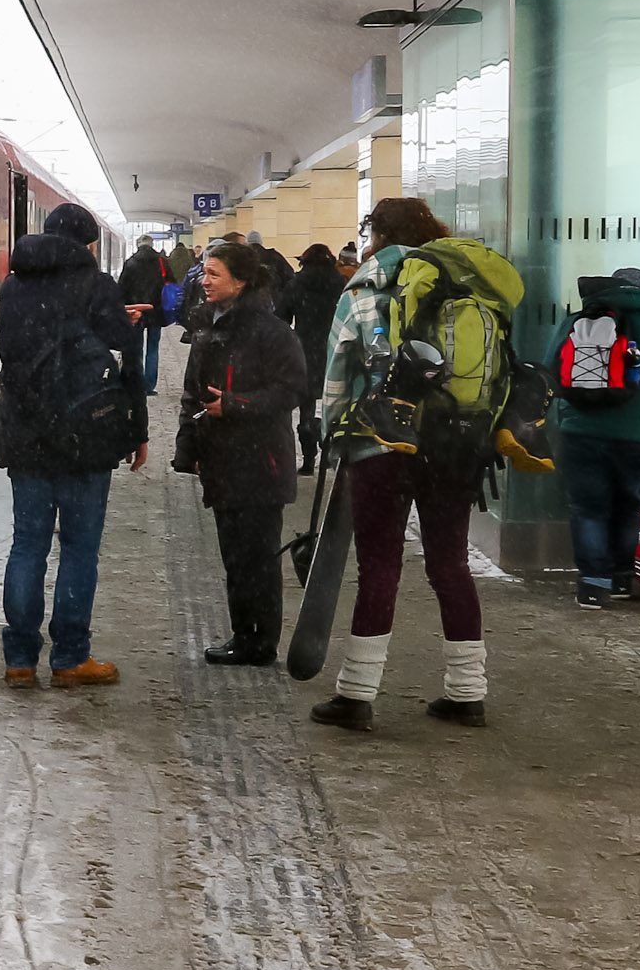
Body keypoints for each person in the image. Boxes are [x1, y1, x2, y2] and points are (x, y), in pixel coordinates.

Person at [309, 195, 520, 731]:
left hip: (383, 441)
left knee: (380, 566)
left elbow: (339, 368)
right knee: (449, 563)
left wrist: (331, 429)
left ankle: (356, 695)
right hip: (455, 441)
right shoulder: (468, 283)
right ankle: (468, 692)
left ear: (376, 233)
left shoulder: (366, 287)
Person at [0, 202, 149, 689]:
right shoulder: (96, 286)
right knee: (79, 549)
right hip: (85, 436)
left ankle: (20, 659)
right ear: (88, 244)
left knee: (27, 546)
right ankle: (69, 658)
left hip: (26, 436)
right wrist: (137, 432)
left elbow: (16, 350)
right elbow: (125, 362)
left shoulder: (13, 287)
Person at [174, 243, 312, 663]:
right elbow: (190, 394)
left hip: (260, 462)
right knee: (235, 557)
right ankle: (243, 634)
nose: (204, 281)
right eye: (204, 273)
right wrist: (187, 447)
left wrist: (235, 405)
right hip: (222, 459)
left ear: (242, 281)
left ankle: (261, 642)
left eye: (214, 274)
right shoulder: (207, 327)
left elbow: (291, 390)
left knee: (259, 558)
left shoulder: (271, 333)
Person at [551, 265, 640, 607]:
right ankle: (620, 579)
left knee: (588, 506)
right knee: (627, 503)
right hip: (638, 433)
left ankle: (592, 585)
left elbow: (551, 368)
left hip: (581, 427)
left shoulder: (577, 321)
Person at [284, 242, 347, 464]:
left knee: (307, 404)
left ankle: (309, 458)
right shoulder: (341, 283)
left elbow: (282, 317)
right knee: (337, 401)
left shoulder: (296, 283)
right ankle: (331, 449)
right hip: (336, 347)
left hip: (305, 349)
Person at [115, 236, 169, 389]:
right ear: (152, 245)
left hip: (136, 310)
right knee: (153, 348)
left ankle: (137, 382)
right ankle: (150, 385)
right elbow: (171, 281)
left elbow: (121, 288)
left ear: (139, 246)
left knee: (136, 348)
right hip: (155, 309)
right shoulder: (161, 261)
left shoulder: (131, 262)